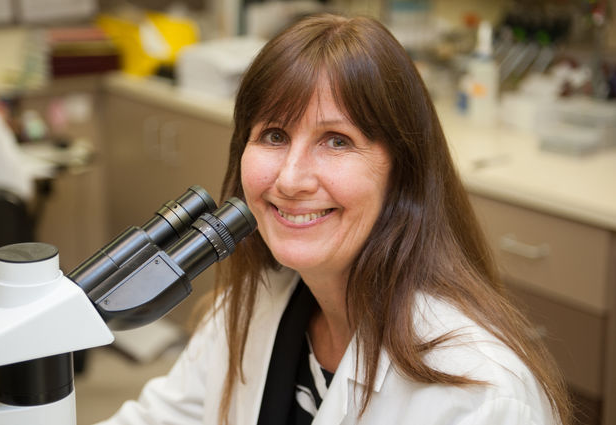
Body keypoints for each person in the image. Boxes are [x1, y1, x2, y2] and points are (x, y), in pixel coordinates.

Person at [95, 14, 571, 425]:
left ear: (401, 172)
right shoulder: (247, 309)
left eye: (337, 140)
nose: (291, 178)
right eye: (274, 135)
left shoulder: (483, 397)